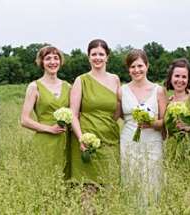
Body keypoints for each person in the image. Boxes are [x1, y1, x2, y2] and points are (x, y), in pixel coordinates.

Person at [68, 39, 121, 208]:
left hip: (111, 140)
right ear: (88, 57)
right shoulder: (81, 80)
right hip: (87, 141)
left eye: (101, 54)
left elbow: (119, 108)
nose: (97, 57)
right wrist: (81, 138)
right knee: (88, 188)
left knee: (110, 186)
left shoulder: (115, 80)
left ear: (107, 57)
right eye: (94, 54)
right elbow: (73, 114)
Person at [118, 49, 167, 207]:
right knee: (130, 178)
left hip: (152, 141)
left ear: (147, 66)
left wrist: (151, 122)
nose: (136, 70)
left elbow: (164, 121)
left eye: (140, 65)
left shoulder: (158, 90)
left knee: (152, 180)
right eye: (132, 66)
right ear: (128, 69)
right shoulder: (122, 90)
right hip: (128, 141)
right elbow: (118, 115)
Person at [20, 46, 70, 181]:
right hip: (45, 140)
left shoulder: (68, 86)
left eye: (56, 58)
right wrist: (50, 129)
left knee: (66, 182)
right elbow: (24, 120)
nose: (53, 62)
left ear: (60, 61)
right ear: (41, 62)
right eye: (48, 58)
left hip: (66, 140)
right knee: (44, 180)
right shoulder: (34, 86)